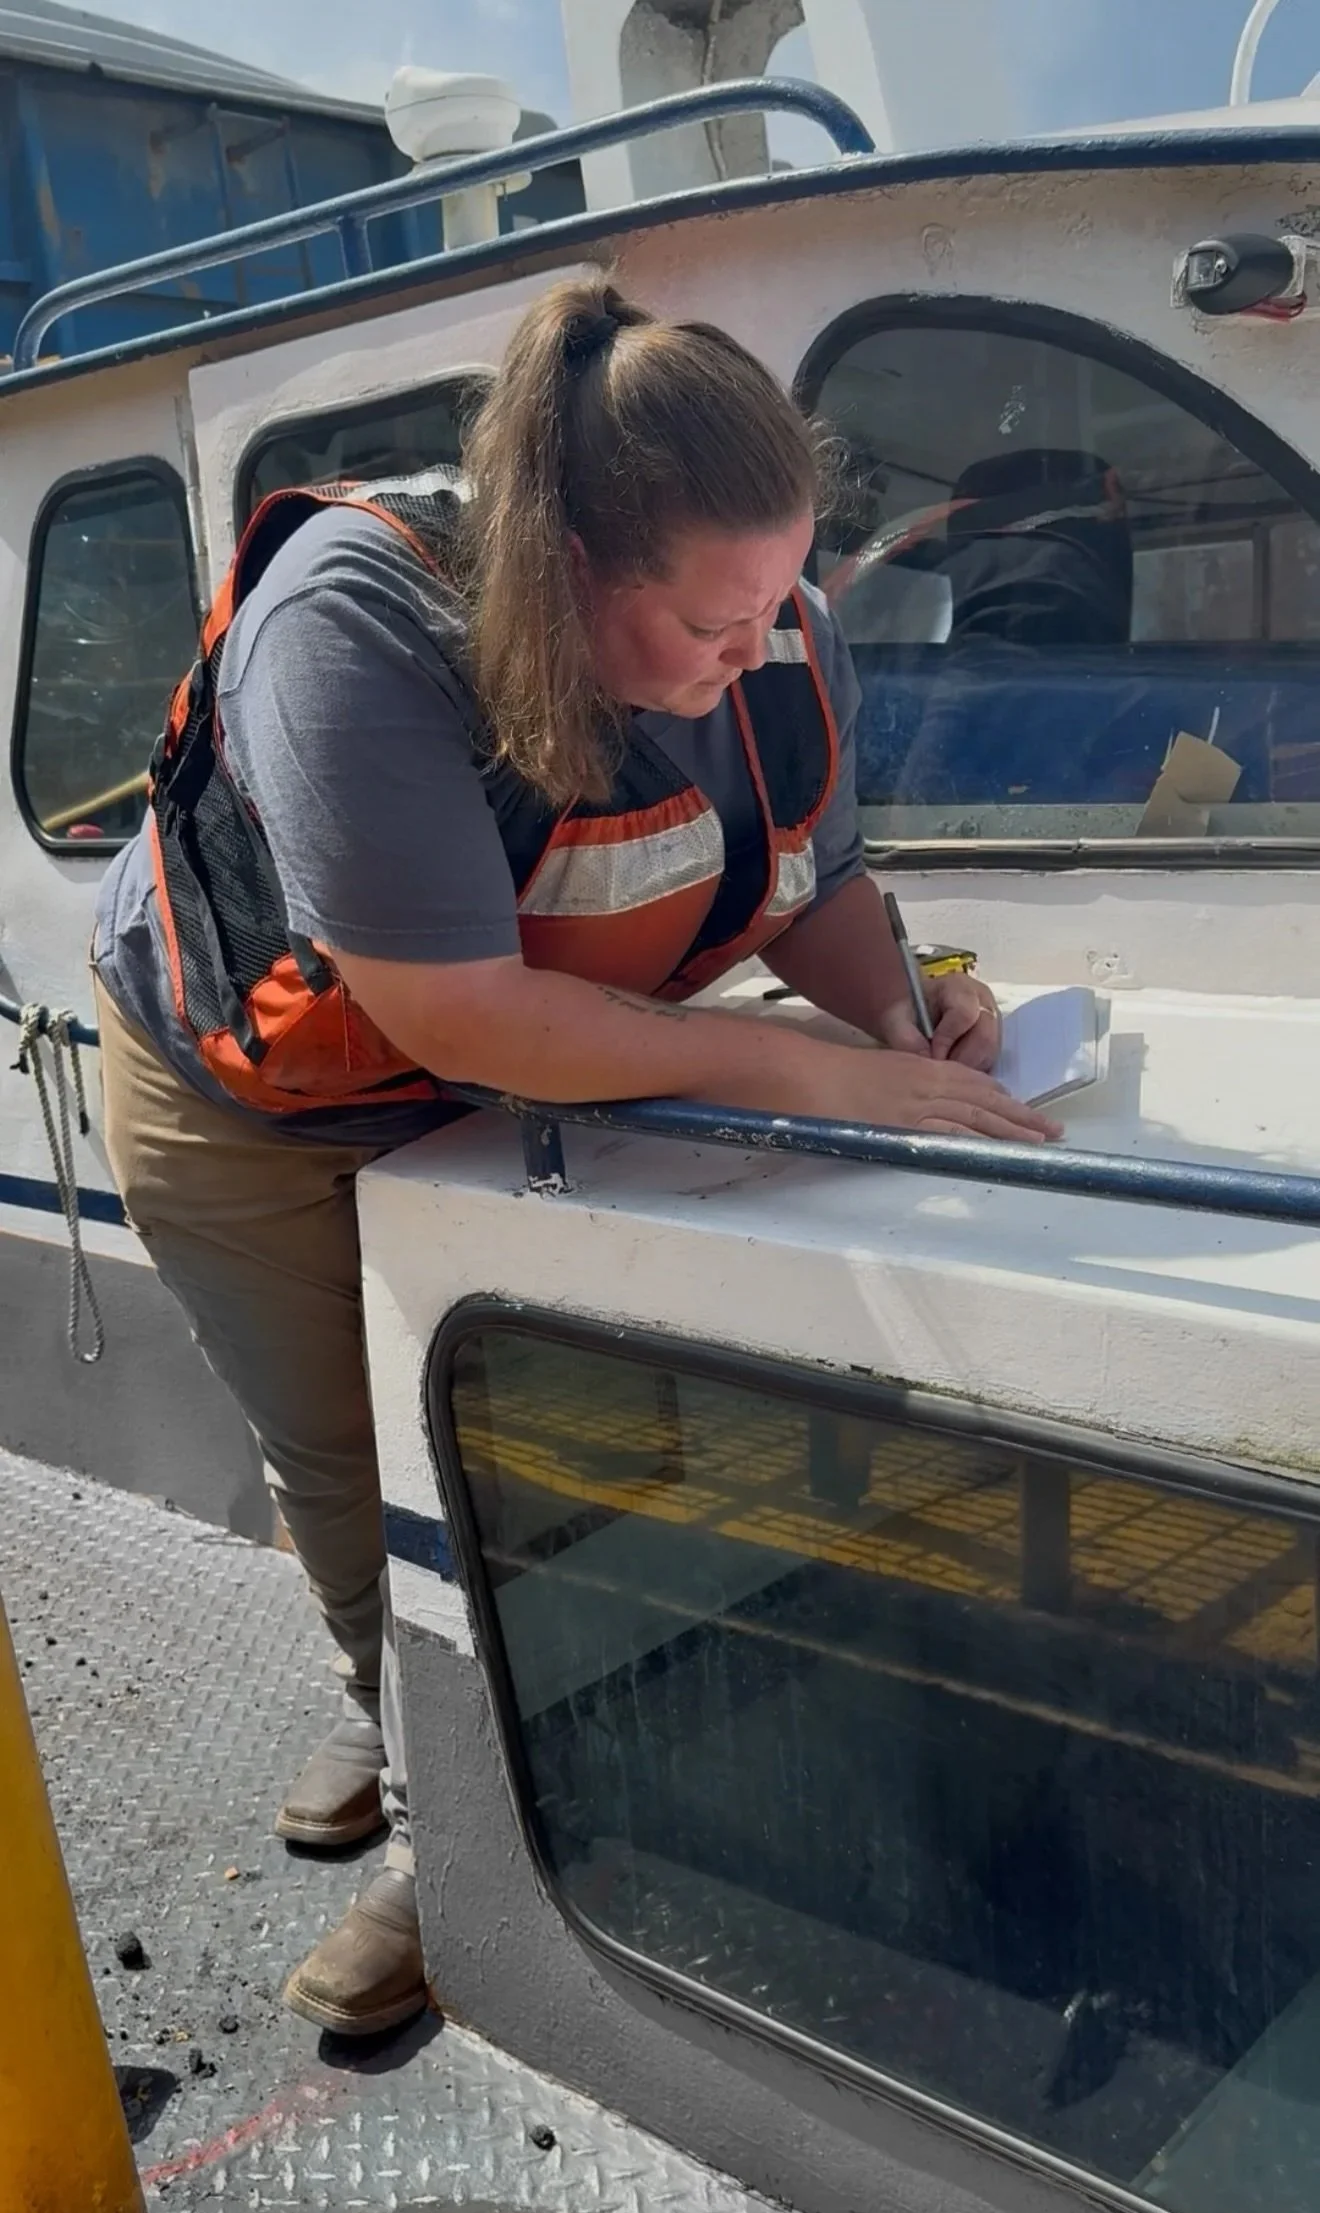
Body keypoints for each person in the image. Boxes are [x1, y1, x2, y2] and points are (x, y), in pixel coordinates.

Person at [91, 276, 1058, 2040]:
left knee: (550, 1441)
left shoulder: (771, 627)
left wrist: (903, 1020)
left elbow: (811, 876)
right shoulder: (354, 620)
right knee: (355, 1452)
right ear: (567, 570)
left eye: (783, 599)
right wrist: (818, 1075)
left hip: (520, 1078)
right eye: (712, 621)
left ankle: (456, 1719)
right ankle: (425, 1799)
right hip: (263, 1108)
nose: (761, 647)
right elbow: (460, 1010)